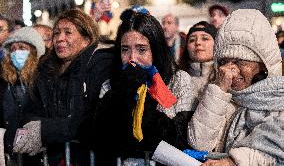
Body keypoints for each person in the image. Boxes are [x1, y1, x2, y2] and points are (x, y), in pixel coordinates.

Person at [12, 9, 114, 166]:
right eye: (56, 33)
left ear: (86, 39)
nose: (60, 39)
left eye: (68, 33)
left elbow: (89, 121)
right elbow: (27, 114)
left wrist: (43, 129)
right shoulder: (44, 69)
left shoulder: (100, 65)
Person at [93, 9, 193, 165]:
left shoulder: (178, 80)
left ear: (156, 49)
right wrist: (126, 92)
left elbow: (178, 136)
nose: (133, 58)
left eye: (142, 49)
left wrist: (144, 99)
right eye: (125, 49)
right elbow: (106, 137)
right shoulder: (110, 85)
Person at [188, 9, 284, 165]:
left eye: (241, 62)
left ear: (262, 65)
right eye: (224, 62)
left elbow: (275, 144)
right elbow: (199, 143)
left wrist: (233, 161)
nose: (230, 71)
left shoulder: (279, 99)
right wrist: (218, 90)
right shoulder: (220, 96)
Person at [0, 27, 45, 165]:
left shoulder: (42, 79)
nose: (16, 52)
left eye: (22, 47)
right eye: (13, 49)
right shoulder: (5, 81)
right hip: (10, 148)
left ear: (33, 50)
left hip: (34, 149)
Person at [179, 21, 217, 109]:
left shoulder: (226, 78)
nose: (198, 43)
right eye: (192, 40)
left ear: (217, 44)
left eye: (205, 38)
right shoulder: (176, 79)